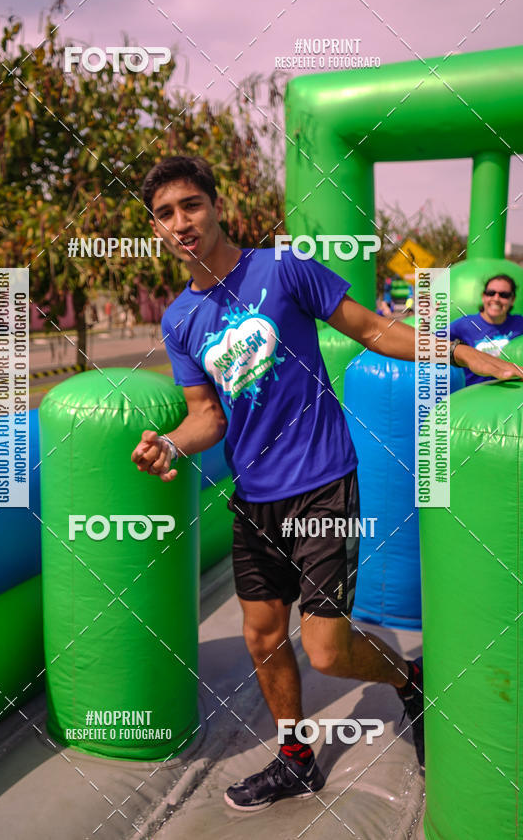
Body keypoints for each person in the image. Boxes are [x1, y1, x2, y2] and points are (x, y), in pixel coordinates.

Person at [130, 156, 519, 812]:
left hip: (322, 484)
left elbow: (372, 329)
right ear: (156, 228)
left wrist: (457, 351)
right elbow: (206, 416)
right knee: (260, 635)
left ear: (216, 206)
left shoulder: (283, 270)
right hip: (255, 498)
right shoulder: (179, 322)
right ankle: (296, 759)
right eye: (165, 214)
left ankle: (410, 676)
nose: (181, 222)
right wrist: (170, 444)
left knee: (329, 652)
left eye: (190, 205)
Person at [450, 274, 523, 386]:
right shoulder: (465, 324)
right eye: (491, 293)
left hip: (511, 394)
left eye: (504, 295)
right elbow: (431, 343)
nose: (496, 298)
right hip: (472, 394)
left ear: (512, 300)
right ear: (483, 296)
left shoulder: (519, 323)